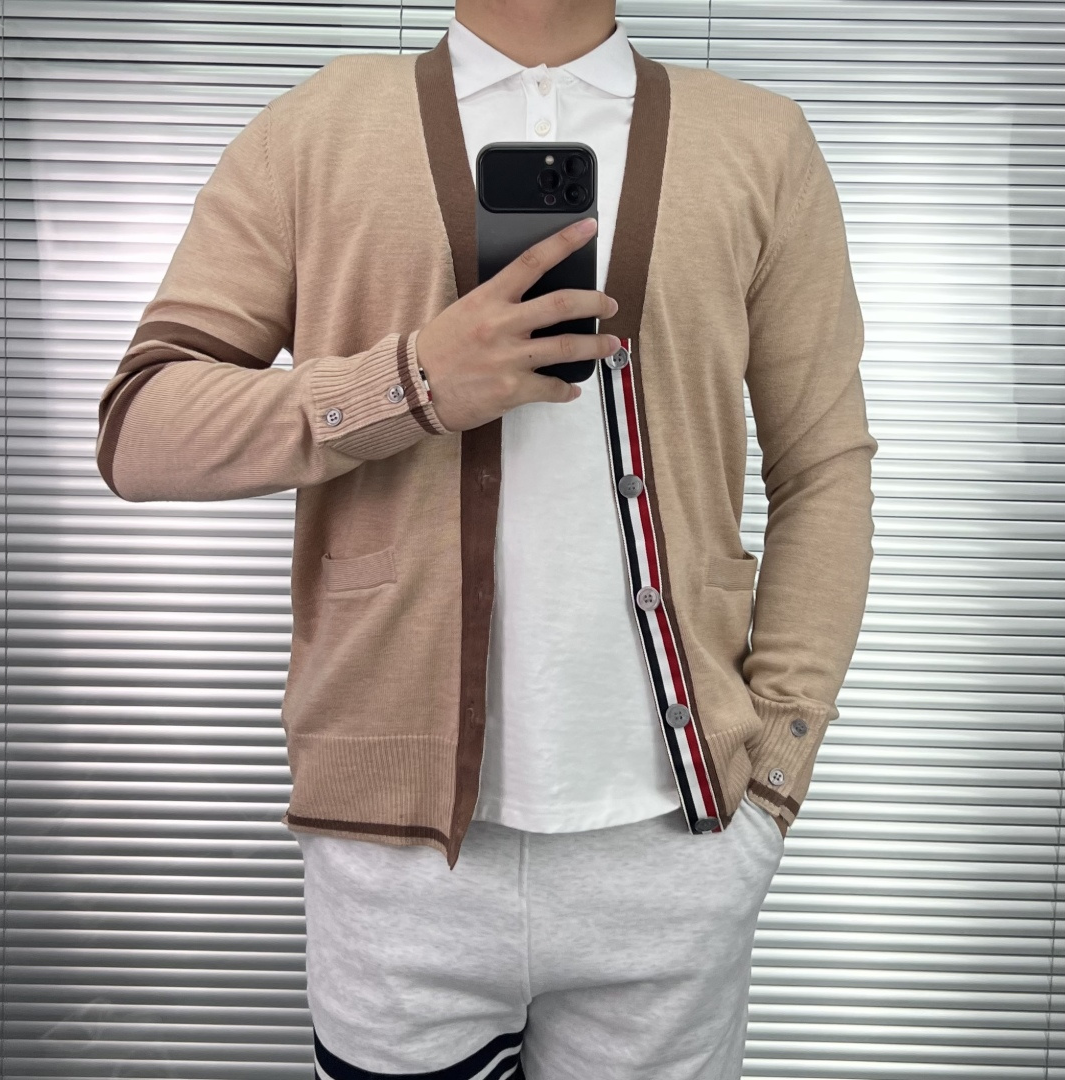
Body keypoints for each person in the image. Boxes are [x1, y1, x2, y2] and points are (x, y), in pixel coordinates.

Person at [96, 1, 877, 1076]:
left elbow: (824, 466)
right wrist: (410, 382)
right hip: (394, 871)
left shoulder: (759, 141)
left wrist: (777, 771)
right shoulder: (317, 129)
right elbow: (142, 430)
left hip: (678, 855)